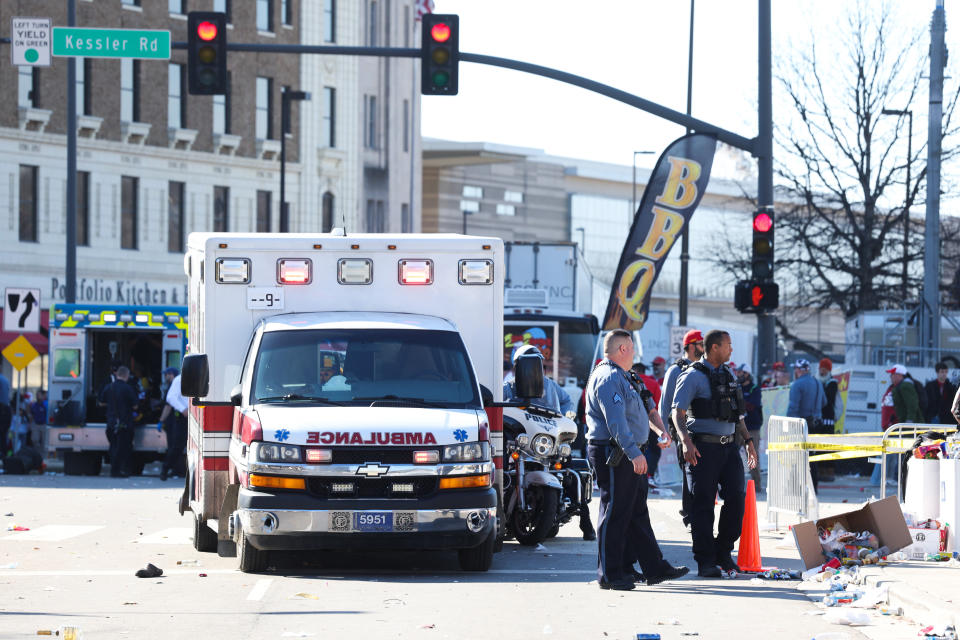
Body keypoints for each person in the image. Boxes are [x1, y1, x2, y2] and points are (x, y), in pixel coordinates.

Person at [585, 329, 688, 590]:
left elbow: (648, 407)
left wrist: (660, 431)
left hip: (629, 451)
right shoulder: (608, 377)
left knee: (636, 512)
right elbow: (616, 421)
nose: (634, 353)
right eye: (631, 348)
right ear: (622, 349)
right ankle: (610, 574)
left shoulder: (628, 377)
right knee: (615, 513)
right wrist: (634, 453)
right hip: (615, 452)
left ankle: (653, 567)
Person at [672, 330, 758, 578]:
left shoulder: (728, 374)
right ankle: (706, 561)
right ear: (714, 347)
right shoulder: (692, 377)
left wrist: (748, 441)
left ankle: (723, 552)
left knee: (736, 500)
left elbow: (737, 415)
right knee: (702, 506)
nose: (731, 350)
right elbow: (677, 414)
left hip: (729, 447)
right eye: (728, 345)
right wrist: (686, 442)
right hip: (703, 448)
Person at [660, 329, 704, 529]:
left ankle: (693, 512)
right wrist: (663, 432)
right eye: (701, 343)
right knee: (690, 472)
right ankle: (691, 514)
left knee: (697, 474)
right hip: (682, 431)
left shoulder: (703, 368)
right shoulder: (676, 370)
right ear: (691, 346)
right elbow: (665, 403)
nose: (704, 347)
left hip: (701, 431)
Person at [787, 359, 827, 492]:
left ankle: (796, 489)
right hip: (816, 425)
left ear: (800, 370)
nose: (795, 372)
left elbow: (793, 408)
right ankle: (813, 488)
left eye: (796, 369)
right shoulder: (818, 383)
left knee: (797, 457)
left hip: (802, 425)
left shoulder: (797, 385)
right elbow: (824, 402)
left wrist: (788, 427)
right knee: (812, 457)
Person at [98, 365, 138, 478]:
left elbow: (101, 403)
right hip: (125, 423)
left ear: (117, 374)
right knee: (124, 448)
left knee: (113, 447)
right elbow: (135, 406)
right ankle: (121, 470)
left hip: (111, 422)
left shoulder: (108, 387)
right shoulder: (128, 388)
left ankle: (114, 470)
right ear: (127, 375)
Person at [157, 367, 188, 481]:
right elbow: (170, 400)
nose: (165, 377)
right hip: (183, 417)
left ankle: (179, 471)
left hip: (193, 416)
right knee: (177, 446)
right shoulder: (179, 380)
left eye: (167, 374)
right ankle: (165, 469)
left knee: (181, 447)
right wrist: (183, 409)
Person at [738, 364, 763, 492]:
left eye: (741, 372)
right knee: (732, 456)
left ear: (747, 374)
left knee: (753, 456)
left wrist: (739, 404)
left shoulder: (754, 388)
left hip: (752, 428)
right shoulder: (737, 387)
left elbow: (753, 405)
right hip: (737, 428)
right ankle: (734, 485)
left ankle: (756, 485)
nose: (738, 374)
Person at [0, 371, 11, 458]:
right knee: (3, 434)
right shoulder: (5, 380)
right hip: (6, 410)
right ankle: (4, 453)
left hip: (2, 409)